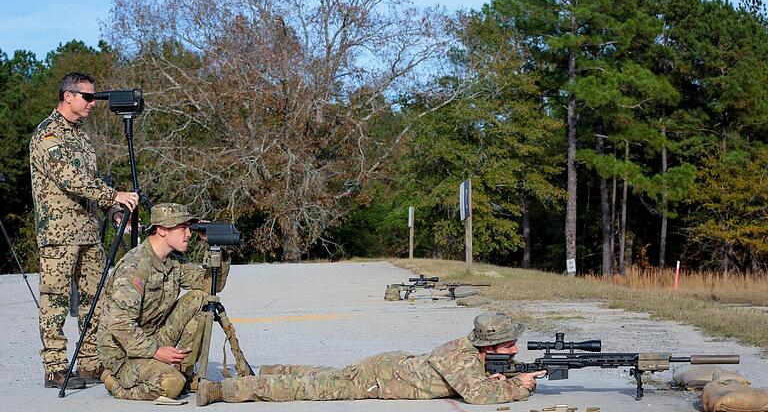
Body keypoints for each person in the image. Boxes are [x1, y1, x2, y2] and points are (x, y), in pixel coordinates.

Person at [29, 72, 139, 389]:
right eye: (88, 97)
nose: (93, 103)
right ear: (68, 96)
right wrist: (114, 195)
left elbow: (93, 183)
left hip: (89, 233)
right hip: (59, 235)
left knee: (99, 299)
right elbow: (71, 180)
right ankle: (55, 368)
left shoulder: (82, 137)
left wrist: (114, 211)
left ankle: (91, 362)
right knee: (56, 302)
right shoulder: (48, 135)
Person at [196, 311, 547, 406]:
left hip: (387, 368)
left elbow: (482, 381)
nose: (515, 350)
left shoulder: (473, 355)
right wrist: (519, 388)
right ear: (489, 347)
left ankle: (268, 368)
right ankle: (219, 390)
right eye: (508, 346)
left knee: (325, 375)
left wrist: (507, 376)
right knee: (302, 389)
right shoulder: (460, 356)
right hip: (376, 380)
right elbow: (478, 396)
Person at [96, 203, 231, 401]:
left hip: (151, 338)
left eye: (190, 228)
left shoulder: (173, 261)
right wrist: (156, 351)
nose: (189, 234)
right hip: (123, 353)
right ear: (161, 230)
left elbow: (211, 285)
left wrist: (216, 247)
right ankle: (115, 383)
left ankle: (184, 371)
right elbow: (120, 324)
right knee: (171, 385)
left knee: (201, 299)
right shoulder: (134, 267)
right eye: (182, 228)